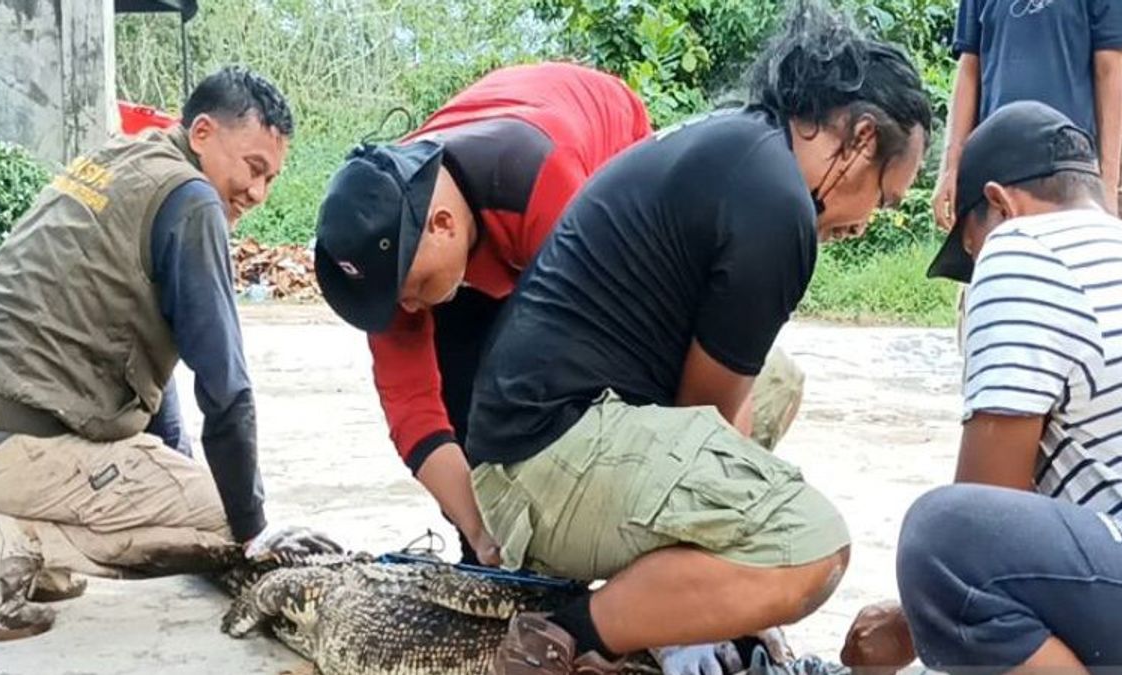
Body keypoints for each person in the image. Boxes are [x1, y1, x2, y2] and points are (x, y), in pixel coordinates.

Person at [461, 1, 933, 671]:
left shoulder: (743, 146)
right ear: (859, 139)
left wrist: (724, 592)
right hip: (545, 467)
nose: (868, 222)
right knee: (811, 547)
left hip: (529, 445)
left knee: (776, 379)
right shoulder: (776, 204)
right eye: (885, 196)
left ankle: (666, 600)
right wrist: (745, 589)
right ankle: (566, 636)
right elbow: (703, 417)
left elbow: (718, 405)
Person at [313, 62, 809, 566]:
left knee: (604, 409)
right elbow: (413, 409)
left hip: (590, 176)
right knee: (475, 416)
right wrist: (484, 534)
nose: (407, 310)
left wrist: (715, 514)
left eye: (412, 289)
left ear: (442, 224)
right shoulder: (388, 239)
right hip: (483, 229)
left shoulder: (547, 185)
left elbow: (657, 371)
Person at [0, 65, 337, 641]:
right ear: (203, 134)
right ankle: (19, 539)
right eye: (253, 167)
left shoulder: (127, 158)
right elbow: (226, 388)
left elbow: (155, 360)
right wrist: (251, 532)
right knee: (227, 527)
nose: (258, 193)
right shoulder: (193, 202)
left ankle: (29, 538)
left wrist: (177, 469)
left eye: (271, 178)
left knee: (194, 489)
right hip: (15, 438)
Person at [842, 101, 1122, 672]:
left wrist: (904, 628)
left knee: (945, 534)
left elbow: (989, 507)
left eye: (971, 250)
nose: (978, 266)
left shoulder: (1025, 246)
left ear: (998, 204)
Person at [932, 0, 1122, 224]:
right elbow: (969, 68)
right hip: (996, 168)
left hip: (1066, 170)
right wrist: (950, 168)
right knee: (1001, 255)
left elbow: (1109, 69)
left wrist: (1107, 186)